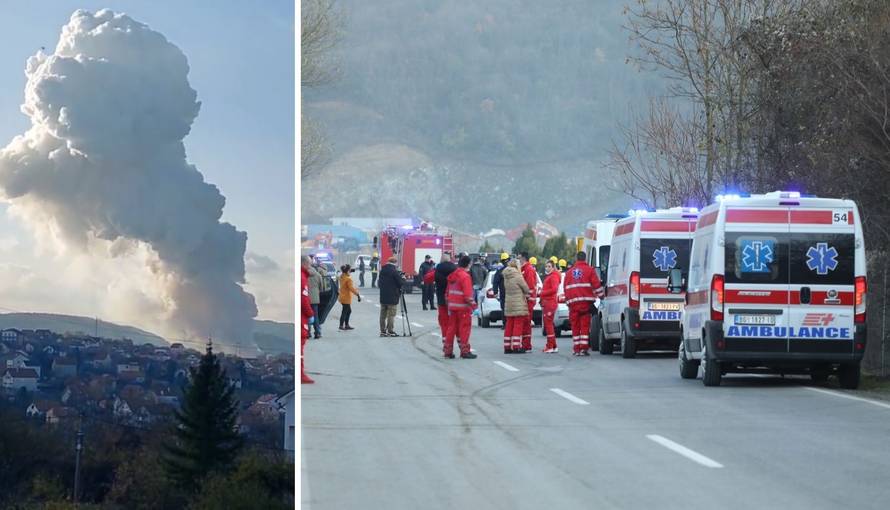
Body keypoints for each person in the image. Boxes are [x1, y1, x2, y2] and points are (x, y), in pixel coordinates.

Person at [562, 251, 605, 356]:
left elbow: (565, 289)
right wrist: (602, 296)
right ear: (585, 259)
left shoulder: (569, 273)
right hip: (586, 304)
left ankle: (576, 349)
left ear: (576, 258)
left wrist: (568, 302)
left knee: (575, 327)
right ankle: (583, 349)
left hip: (573, 305)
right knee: (585, 326)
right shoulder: (589, 270)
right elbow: (596, 285)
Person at [443, 255, 477, 359]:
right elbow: (468, 295)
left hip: (452, 307)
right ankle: (465, 351)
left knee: (451, 329)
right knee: (464, 330)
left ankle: (448, 351)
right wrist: (475, 307)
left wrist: (449, 304)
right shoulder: (465, 276)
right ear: (468, 264)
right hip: (463, 308)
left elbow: (447, 293)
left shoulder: (453, 275)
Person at [502, 258, 530, 353]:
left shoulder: (506, 276)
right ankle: (516, 346)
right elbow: (525, 288)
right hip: (518, 303)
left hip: (509, 303)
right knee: (518, 325)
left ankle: (507, 347)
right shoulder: (517, 275)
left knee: (509, 324)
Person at [377, 256, 406, 337]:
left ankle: (382, 331)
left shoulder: (382, 270)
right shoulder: (394, 271)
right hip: (392, 297)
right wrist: (403, 278)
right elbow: (400, 283)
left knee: (383, 315)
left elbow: (379, 283)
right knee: (391, 315)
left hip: (383, 296)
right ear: (395, 263)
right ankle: (390, 331)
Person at [433, 253, 458, 339]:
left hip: (441, 298)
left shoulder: (437, 269)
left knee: (444, 321)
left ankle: (446, 342)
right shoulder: (455, 269)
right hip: (453, 299)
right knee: (454, 322)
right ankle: (460, 344)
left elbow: (427, 278)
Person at [539, 260, 561, 353]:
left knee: (548, 325)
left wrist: (542, 293)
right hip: (547, 302)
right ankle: (554, 346)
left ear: (553, 267)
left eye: (549, 266)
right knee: (549, 324)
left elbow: (554, 289)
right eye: (546, 266)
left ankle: (550, 346)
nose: (547, 268)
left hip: (550, 302)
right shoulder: (551, 276)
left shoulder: (554, 276)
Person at [300, 255, 315, 384]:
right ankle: (301, 374)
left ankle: (301, 372)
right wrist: (310, 314)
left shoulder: (302, 276)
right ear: (304, 264)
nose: (310, 267)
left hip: (301, 318)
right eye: (309, 264)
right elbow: (304, 300)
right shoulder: (302, 278)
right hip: (301, 319)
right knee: (300, 347)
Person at [519, 252, 538, 351]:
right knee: (524, 323)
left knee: (526, 323)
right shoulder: (524, 269)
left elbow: (530, 286)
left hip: (528, 301)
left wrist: (527, 297)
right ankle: (525, 344)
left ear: (523, 258)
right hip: (526, 300)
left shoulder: (528, 269)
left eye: (519, 258)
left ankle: (526, 345)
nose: (519, 260)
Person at [338, 264, 361, 330]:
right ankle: (342, 325)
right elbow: (351, 288)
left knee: (348, 311)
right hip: (346, 297)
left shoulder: (342, 276)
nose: (351, 271)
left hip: (342, 296)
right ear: (348, 270)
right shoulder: (348, 279)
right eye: (350, 270)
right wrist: (357, 294)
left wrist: (348, 271)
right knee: (345, 311)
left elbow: (344, 273)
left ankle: (346, 325)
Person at [490, 252, 510, 327]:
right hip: (511, 293)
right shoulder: (514, 270)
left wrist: (495, 292)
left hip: (504, 293)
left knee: (504, 309)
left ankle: (505, 324)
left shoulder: (499, 271)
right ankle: (509, 324)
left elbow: (495, 283)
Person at [307, 257, 324, 339]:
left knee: (305, 316)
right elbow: (322, 287)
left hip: (305, 299)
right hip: (315, 299)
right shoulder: (318, 275)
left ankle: (307, 333)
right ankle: (317, 332)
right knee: (315, 316)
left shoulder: (302, 275)